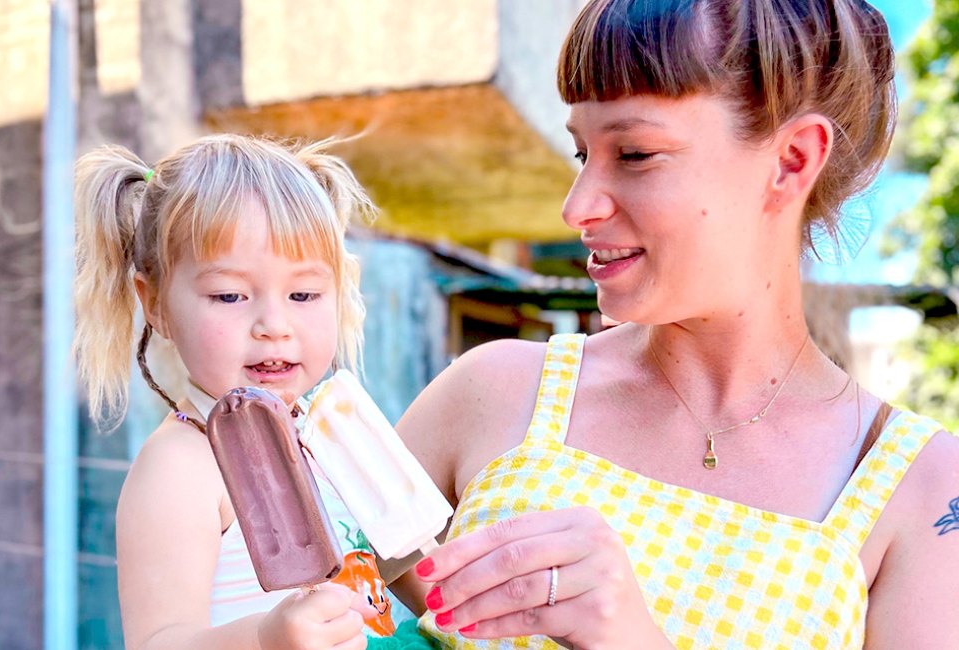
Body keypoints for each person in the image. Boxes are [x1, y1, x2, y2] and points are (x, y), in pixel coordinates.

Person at [390, 0, 959, 648]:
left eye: (634, 154)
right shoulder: (492, 392)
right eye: (583, 154)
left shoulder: (920, 485)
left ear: (792, 161)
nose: (578, 206)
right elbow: (294, 598)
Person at [73, 134, 434, 650]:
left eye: (304, 293)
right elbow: (160, 642)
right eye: (229, 295)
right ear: (153, 304)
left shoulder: (330, 431)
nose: (273, 324)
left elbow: (407, 564)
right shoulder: (181, 468)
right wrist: (266, 638)